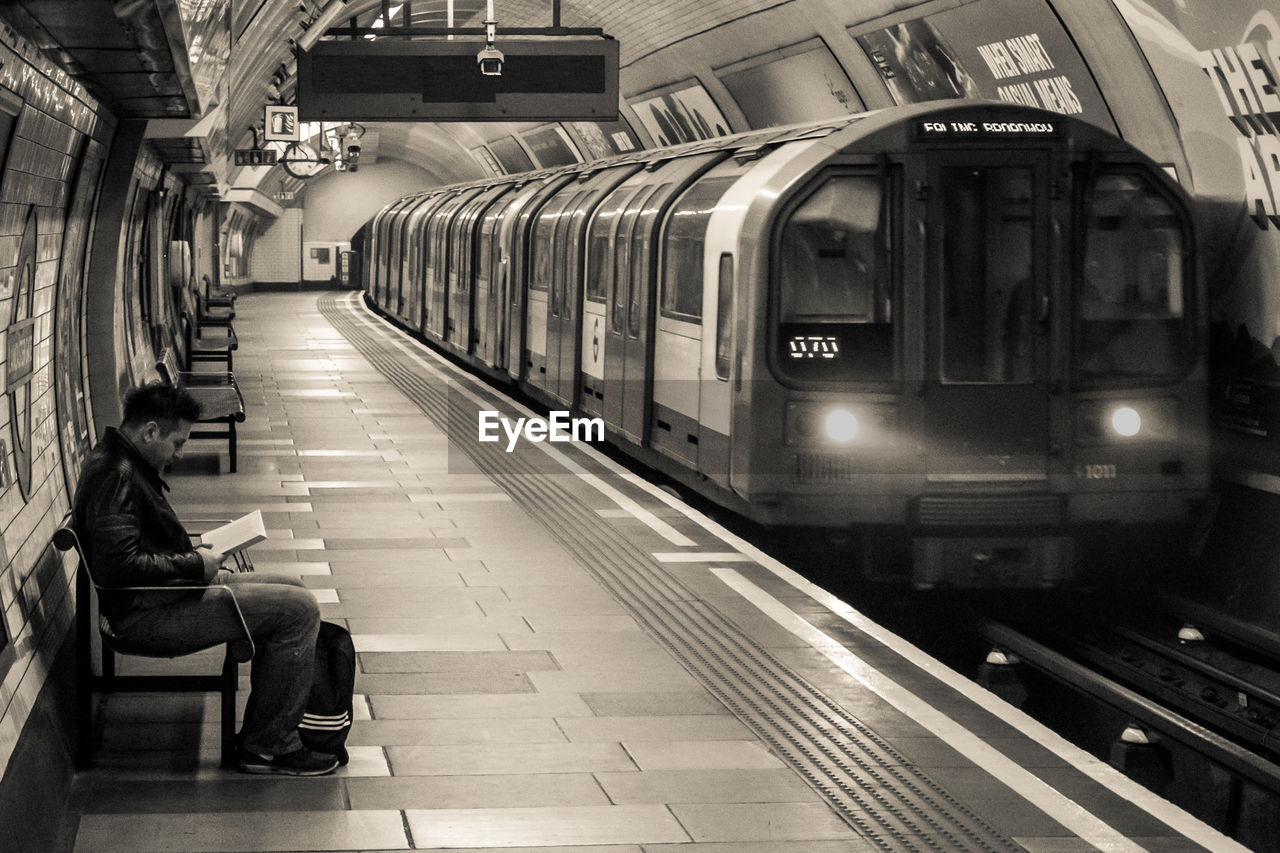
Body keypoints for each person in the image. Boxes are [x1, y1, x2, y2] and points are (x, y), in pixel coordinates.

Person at [72, 382, 337, 776]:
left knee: (294, 589)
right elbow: (120, 566)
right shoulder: (117, 475)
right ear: (149, 431)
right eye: (177, 443)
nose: (179, 454)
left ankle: (270, 724)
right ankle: (267, 745)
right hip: (144, 616)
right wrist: (196, 564)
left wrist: (197, 560)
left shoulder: (119, 459)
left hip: (163, 596)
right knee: (298, 610)